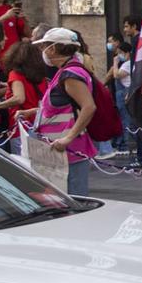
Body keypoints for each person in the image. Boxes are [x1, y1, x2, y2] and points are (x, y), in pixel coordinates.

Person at [32, 28, 100, 196]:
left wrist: (68, 138)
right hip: (63, 150)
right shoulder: (65, 71)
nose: (43, 52)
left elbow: (88, 106)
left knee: (74, 197)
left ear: (53, 48)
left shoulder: (70, 74)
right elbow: (62, 106)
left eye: (44, 47)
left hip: (70, 150)